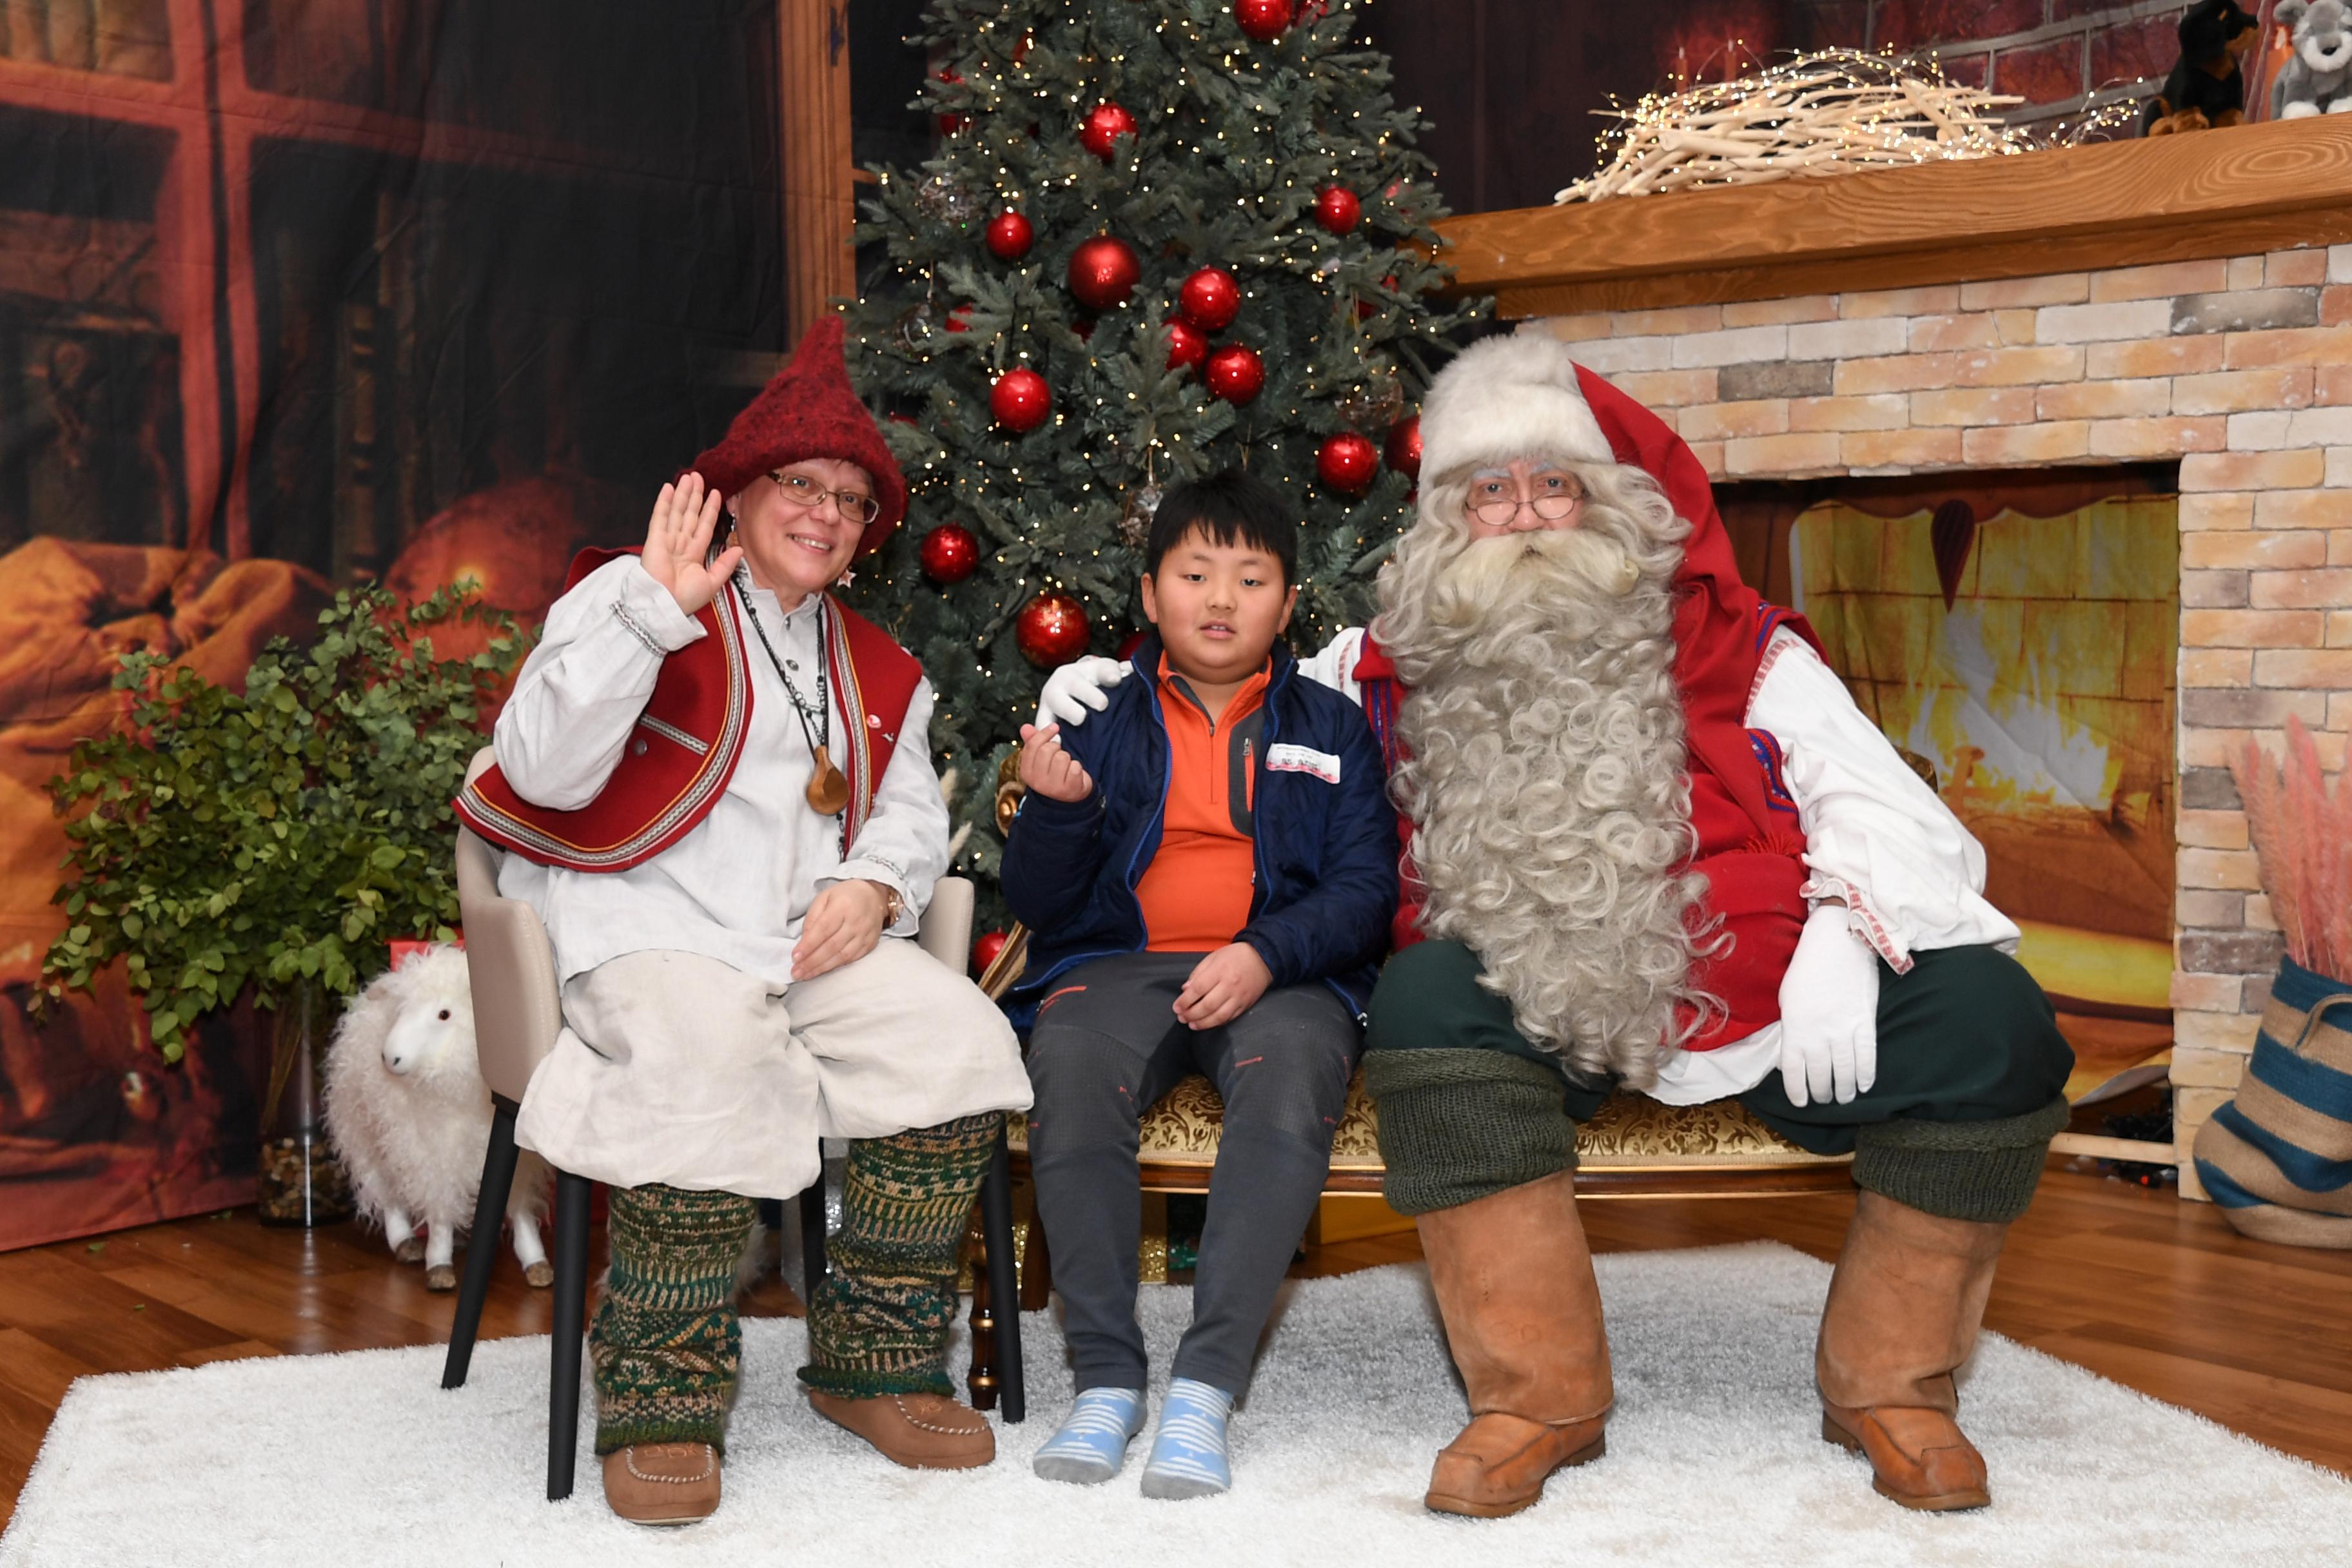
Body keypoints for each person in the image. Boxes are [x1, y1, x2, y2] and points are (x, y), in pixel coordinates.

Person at [1035, 334, 2072, 1518]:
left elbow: (1892, 814)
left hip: (1764, 989)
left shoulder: (1746, 651)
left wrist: (1846, 935)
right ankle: (1538, 1395)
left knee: (1997, 1020)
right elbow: (1219, 675)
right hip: (1530, 1003)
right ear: (1446, 520)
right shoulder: (1376, 668)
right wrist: (1096, 691)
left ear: (1612, 503)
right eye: (1490, 489)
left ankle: (1895, 1386)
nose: (1524, 515)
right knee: (1428, 1003)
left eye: (1554, 484)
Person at [454, 318, 1032, 1526]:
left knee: (962, 1050)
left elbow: (915, 815)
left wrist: (875, 888)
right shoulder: (629, 593)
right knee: (707, 1063)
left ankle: (871, 1364)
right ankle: (660, 1397)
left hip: (805, 944)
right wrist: (654, 619)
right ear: (739, 492)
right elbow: (540, 769)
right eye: (798, 485)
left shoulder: (878, 667)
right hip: (644, 928)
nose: (824, 513)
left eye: (850, 500)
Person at [1001, 471, 1398, 1499]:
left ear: (1288, 604)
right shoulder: (1095, 715)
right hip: (1113, 968)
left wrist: (1267, 951)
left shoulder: (1334, 727)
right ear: (1149, 595)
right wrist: (1052, 811)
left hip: (1282, 975)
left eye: (1251, 578)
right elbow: (1041, 902)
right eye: (1195, 574)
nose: (1221, 600)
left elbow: (1365, 893)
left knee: (1290, 1075)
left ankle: (1207, 1389)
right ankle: (1106, 1379)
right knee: (1073, 1074)